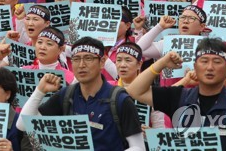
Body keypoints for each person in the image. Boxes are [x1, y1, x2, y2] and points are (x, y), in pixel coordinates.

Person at [127, 37, 226, 151]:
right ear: (195, 66)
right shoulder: (178, 97)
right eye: (204, 61)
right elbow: (135, 90)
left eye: (217, 62)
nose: (210, 67)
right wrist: (161, 63)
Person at [17, 37, 145, 151]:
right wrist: (40, 91)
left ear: (102, 62)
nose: (81, 65)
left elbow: (139, 147)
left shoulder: (120, 99)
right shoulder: (66, 95)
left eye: (88, 58)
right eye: (76, 59)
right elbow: (22, 125)